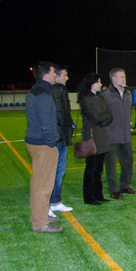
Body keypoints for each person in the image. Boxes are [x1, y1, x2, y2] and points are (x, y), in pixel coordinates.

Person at [25, 62, 62, 232]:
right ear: (46, 74)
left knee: (40, 183)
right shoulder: (43, 95)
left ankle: (41, 216)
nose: (56, 75)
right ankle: (40, 223)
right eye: (54, 72)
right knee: (43, 185)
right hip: (43, 145)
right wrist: (52, 141)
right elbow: (47, 124)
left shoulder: (37, 91)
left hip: (37, 142)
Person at [77, 73, 113, 205]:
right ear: (91, 84)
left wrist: (102, 118)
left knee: (99, 168)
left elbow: (110, 115)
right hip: (91, 137)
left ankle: (99, 194)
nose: (100, 84)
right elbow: (96, 117)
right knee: (91, 168)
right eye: (98, 82)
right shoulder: (85, 99)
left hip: (102, 136)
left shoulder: (100, 98)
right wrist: (103, 118)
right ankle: (89, 197)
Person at [102, 68, 136, 199]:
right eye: (121, 77)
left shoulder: (128, 94)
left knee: (128, 162)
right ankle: (113, 189)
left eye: (124, 76)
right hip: (111, 136)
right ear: (113, 79)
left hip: (126, 135)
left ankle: (125, 186)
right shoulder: (105, 95)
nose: (124, 79)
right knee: (111, 165)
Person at [49, 64, 74, 213]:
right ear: (56, 76)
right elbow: (56, 116)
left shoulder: (62, 91)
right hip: (56, 138)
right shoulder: (52, 91)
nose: (67, 78)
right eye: (64, 75)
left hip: (62, 137)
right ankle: (49, 203)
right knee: (53, 171)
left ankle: (55, 201)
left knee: (60, 171)